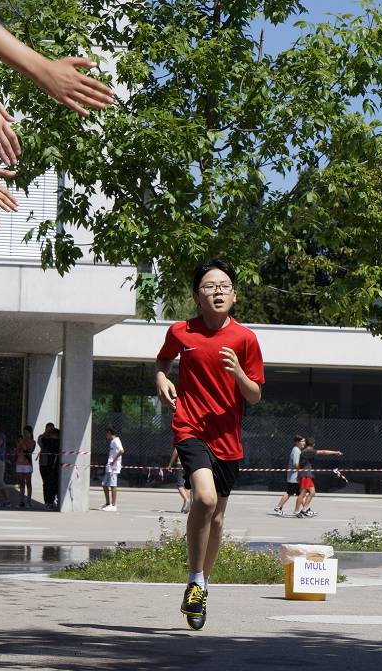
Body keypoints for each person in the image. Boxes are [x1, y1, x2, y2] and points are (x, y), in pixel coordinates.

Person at [156, 258, 265, 631]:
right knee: (203, 499)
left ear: (234, 295)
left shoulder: (245, 339)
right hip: (190, 427)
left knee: (217, 518)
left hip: (227, 438)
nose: (217, 292)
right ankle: (193, 577)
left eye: (224, 286)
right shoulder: (181, 332)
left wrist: (238, 373)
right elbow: (162, 359)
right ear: (196, 296)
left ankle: (201, 584)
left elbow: (254, 395)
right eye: (209, 286)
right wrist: (161, 378)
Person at [295, 437, 343, 518]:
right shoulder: (308, 451)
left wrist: (298, 474)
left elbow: (300, 465)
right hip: (306, 474)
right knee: (303, 493)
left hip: (307, 474)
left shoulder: (305, 451)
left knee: (312, 492)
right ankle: (297, 511)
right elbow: (323, 452)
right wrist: (335, 452)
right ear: (313, 444)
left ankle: (304, 510)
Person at [273, 435, 305, 516]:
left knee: (301, 494)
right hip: (294, 477)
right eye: (302, 441)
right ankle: (278, 507)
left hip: (296, 477)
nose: (304, 443)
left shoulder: (297, 450)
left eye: (304, 441)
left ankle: (306, 510)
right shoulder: (296, 450)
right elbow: (295, 464)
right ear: (297, 442)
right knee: (289, 493)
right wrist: (302, 470)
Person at [100, 426, 125, 512]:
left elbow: (122, 451)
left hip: (113, 467)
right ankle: (108, 504)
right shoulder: (112, 441)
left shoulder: (116, 441)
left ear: (109, 432)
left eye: (106, 433)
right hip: (109, 466)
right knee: (104, 484)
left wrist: (113, 461)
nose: (105, 435)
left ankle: (113, 505)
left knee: (113, 485)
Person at [38, 423, 61, 510]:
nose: (50, 431)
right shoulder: (43, 438)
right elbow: (41, 442)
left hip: (54, 466)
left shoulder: (56, 441)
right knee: (47, 483)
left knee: (53, 484)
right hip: (45, 465)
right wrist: (47, 434)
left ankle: (52, 501)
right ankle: (48, 502)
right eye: (49, 429)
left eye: (52, 430)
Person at [14, 425, 36, 508]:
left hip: (27, 464)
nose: (25, 434)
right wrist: (18, 446)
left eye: (27, 433)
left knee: (28, 483)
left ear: (30, 433)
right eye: (24, 433)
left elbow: (30, 451)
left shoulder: (33, 442)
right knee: (21, 483)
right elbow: (17, 451)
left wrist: (23, 445)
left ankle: (29, 501)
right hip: (19, 463)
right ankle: (21, 501)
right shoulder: (21, 441)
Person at [168, 447, 190, 513]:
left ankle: (187, 500)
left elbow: (175, 452)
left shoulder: (181, 442)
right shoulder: (195, 442)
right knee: (187, 485)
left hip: (181, 464)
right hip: (190, 464)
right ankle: (185, 505)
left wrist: (170, 464)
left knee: (180, 485)